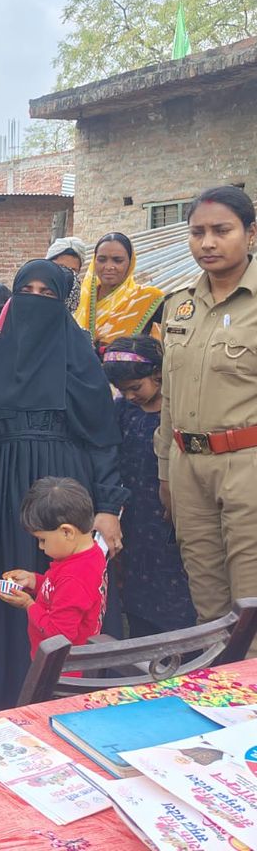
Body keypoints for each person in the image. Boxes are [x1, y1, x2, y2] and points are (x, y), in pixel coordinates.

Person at [0, 259, 126, 709]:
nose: (35, 301)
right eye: (24, 290)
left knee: (71, 592)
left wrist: (107, 508)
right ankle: (9, 701)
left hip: (68, 495)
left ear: (63, 301)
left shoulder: (81, 361)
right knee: (7, 590)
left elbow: (103, 440)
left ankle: (67, 701)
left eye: (46, 294)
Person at [156, 185, 257, 648]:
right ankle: (220, 702)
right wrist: (165, 473)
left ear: (250, 234)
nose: (208, 243)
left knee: (250, 602)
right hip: (186, 466)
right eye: (197, 232)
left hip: (247, 466)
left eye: (221, 231)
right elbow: (169, 399)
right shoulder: (179, 303)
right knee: (208, 606)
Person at [102, 336, 195, 636]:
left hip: (171, 517)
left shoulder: (179, 411)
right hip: (134, 519)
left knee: (180, 594)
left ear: (158, 374)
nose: (129, 396)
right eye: (123, 390)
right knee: (136, 588)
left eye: (136, 388)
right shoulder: (120, 413)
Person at [0, 478, 108, 661]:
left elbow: (59, 635)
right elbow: (63, 594)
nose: (41, 547)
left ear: (67, 532)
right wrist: (34, 580)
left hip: (63, 670)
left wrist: (28, 605)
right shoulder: (92, 554)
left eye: (42, 540)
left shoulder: (74, 576)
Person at [75, 232, 163, 349]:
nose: (109, 266)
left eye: (117, 260)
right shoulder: (79, 299)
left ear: (130, 263)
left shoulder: (147, 298)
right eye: (102, 260)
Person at [46, 236, 87, 314]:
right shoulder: (32, 293)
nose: (66, 273)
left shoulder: (82, 307)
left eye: (72, 270)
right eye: (60, 267)